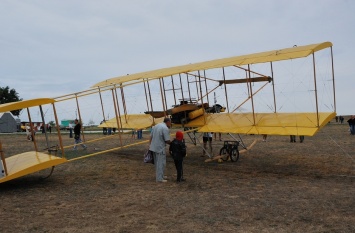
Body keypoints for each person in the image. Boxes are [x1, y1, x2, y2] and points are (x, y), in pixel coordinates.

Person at [149, 117, 171, 183]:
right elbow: (167, 140)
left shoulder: (156, 126)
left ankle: (161, 175)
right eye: (170, 122)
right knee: (161, 163)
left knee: (158, 163)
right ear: (168, 122)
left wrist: (150, 145)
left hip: (154, 147)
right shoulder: (165, 128)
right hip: (160, 148)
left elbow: (151, 136)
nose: (170, 124)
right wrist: (173, 143)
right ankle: (159, 178)